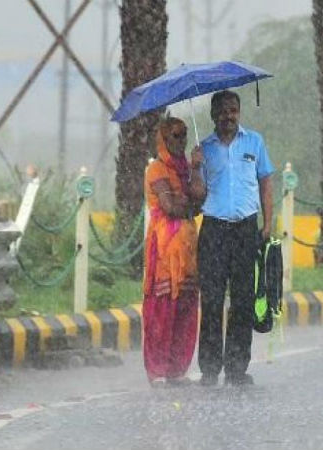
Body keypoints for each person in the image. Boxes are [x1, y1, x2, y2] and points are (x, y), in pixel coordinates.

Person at [194, 90, 275, 386]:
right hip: (214, 229)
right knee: (213, 301)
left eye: (233, 111)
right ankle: (210, 368)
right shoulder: (203, 149)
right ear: (213, 115)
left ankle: (237, 368)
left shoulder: (254, 142)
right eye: (222, 112)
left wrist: (268, 223)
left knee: (242, 300)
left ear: (238, 113)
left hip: (245, 229)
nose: (228, 116)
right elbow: (198, 194)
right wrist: (195, 167)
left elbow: (266, 182)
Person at [142, 117, 205, 388]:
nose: (182, 142)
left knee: (186, 306)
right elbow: (170, 207)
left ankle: (177, 368)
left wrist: (196, 168)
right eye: (176, 136)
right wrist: (188, 204)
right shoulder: (156, 169)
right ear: (164, 139)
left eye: (184, 136)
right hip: (165, 250)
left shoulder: (186, 170)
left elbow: (199, 197)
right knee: (162, 307)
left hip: (188, 249)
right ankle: (157, 368)